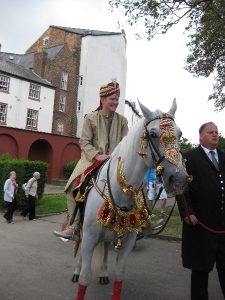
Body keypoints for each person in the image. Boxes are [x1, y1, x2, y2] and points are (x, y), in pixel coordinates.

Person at [54, 81, 128, 239]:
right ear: (103, 100)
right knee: (72, 187)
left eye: (117, 99)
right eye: (112, 99)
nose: (115, 102)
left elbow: (125, 144)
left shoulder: (123, 121)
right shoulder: (90, 118)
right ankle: (74, 226)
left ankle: (136, 222)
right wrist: (97, 155)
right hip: (91, 159)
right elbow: (84, 142)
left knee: (134, 184)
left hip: (115, 162)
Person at [177, 122, 225, 300]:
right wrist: (187, 211)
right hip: (200, 225)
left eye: (217, 132)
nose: (215, 135)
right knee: (200, 272)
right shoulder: (188, 158)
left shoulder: (223, 156)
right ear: (201, 136)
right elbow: (180, 187)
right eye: (211, 132)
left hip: (222, 226)